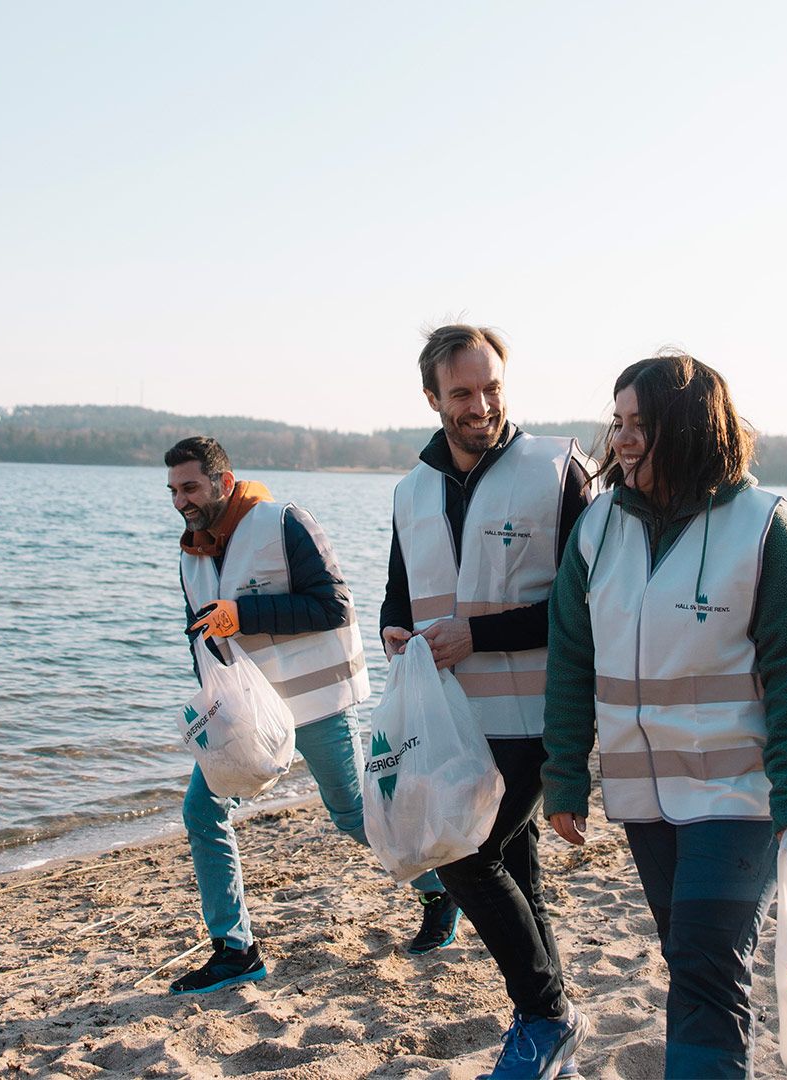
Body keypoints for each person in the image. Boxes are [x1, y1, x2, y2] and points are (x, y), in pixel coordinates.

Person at [541, 353, 787, 1078]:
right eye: (618, 422)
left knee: (706, 964)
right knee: (692, 959)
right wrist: (565, 777)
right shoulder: (597, 529)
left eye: (642, 423)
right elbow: (572, 661)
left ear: (692, 428)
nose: (623, 439)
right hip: (645, 801)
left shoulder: (766, 530)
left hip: (742, 798)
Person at [381, 324, 595, 1079]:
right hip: (452, 723)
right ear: (433, 397)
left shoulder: (559, 469)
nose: (482, 404)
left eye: (492, 387)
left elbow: (586, 603)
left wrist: (480, 635)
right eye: (464, 392)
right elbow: (396, 596)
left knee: (461, 851)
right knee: (511, 866)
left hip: (536, 715)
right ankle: (554, 1033)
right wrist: (394, 632)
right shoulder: (411, 490)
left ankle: (544, 1015)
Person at [165, 435, 446, 994]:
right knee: (201, 811)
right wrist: (210, 703)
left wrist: (242, 614)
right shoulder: (190, 550)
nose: (180, 500)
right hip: (245, 718)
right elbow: (200, 632)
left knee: (351, 817)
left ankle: (443, 886)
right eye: (173, 490)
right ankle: (236, 949)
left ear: (223, 482)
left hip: (315, 704)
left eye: (190, 487)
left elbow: (333, 605)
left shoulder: (285, 521)